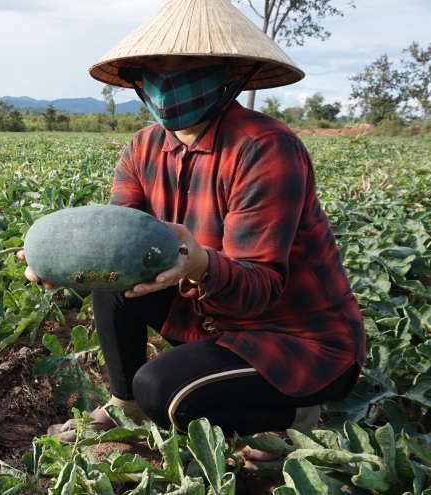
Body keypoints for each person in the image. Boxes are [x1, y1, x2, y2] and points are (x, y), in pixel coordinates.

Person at [18, 0, 366, 465]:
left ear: (227, 73)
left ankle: (293, 416)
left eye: (187, 66)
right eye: (155, 70)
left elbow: (259, 290)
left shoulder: (264, 148)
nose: (167, 82)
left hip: (294, 337)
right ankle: (124, 408)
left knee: (161, 390)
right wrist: (61, 261)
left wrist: (199, 261)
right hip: (211, 318)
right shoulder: (143, 146)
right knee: (114, 283)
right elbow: (115, 240)